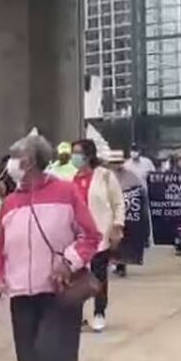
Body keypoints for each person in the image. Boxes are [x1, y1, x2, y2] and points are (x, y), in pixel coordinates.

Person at [0, 135, 101, 361]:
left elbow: (91, 235)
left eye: (15, 156)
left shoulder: (65, 193)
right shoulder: (9, 203)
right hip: (22, 294)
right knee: (30, 359)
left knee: (55, 355)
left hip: (58, 293)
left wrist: (69, 261)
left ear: (32, 161)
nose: (9, 163)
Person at [70, 140, 125, 333]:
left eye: (77, 153)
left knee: (99, 276)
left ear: (88, 155)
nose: (73, 157)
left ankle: (99, 312)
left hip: (100, 234)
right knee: (75, 279)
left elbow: (118, 203)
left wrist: (118, 226)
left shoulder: (105, 176)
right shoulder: (70, 177)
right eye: (72, 153)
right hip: (76, 237)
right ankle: (76, 315)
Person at [105, 151, 144, 277]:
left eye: (118, 163)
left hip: (126, 213)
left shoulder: (130, 176)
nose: (116, 165)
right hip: (107, 212)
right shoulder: (105, 176)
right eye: (114, 163)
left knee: (123, 240)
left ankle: (121, 265)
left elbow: (138, 190)